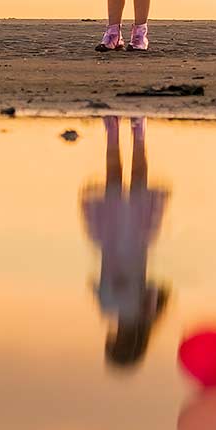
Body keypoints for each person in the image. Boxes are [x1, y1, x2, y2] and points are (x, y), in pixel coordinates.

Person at [79, 115, 171, 369]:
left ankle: (136, 132)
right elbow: (96, 283)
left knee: (137, 182)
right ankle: (115, 131)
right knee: (113, 181)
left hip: (133, 245)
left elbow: (156, 288)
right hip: (114, 243)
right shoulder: (111, 306)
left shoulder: (144, 312)